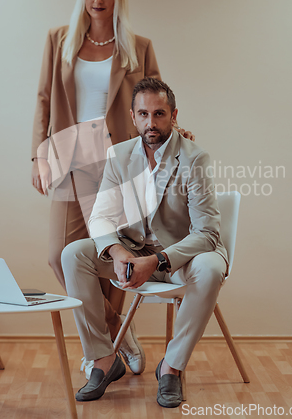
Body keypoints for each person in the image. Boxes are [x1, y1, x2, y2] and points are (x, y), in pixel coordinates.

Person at [31, 0, 194, 377]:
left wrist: (175, 130)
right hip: (69, 151)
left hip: (120, 158)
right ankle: (117, 330)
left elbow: (156, 99)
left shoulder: (137, 46)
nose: (98, 1)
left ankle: (101, 356)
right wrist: (37, 155)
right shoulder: (59, 39)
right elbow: (44, 99)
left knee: (115, 253)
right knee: (58, 254)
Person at [61, 77, 228, 408]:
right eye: (144, 114)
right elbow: (101, 217)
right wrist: (120, 253)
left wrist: (158, 260)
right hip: (134, 252)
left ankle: (171, 367)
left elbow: (208, 233)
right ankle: (104, 360)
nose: (151, 123)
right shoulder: (119, 156)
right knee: (73, 255)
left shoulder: (195, 159)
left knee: (211, 268)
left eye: (159, 114)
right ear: (134, 116)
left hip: (181, 260)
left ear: (173, 115)